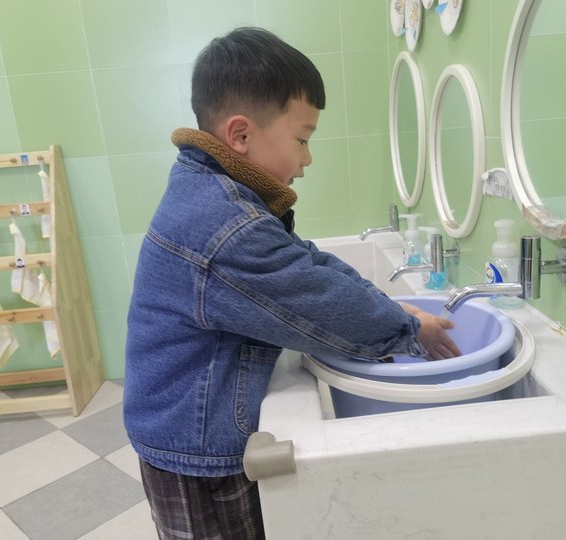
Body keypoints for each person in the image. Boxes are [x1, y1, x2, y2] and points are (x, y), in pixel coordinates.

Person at [123, 26, 461, 540]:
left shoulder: (217, 194)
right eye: (302, 139)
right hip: (196, 451)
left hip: (190, 427)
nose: (307, 158)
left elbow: (306, 263)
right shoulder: (225, 225)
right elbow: (315, 303)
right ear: (240, 136)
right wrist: (407, 331)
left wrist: (397, 311)